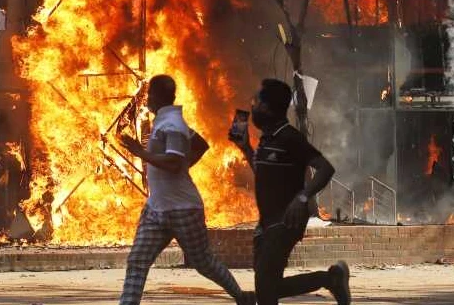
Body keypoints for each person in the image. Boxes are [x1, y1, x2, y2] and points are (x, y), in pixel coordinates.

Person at [117, 75, 255, 305]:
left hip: (183, 209)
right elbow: (199, 144)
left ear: (158, 96)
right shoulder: (167, 120)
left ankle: (241, 297)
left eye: (150, 94)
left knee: (203, 262)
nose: (147, 98)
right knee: (137, 261)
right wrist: (183, 166)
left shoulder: (172, 125)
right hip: (157, 209)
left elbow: (173, 163)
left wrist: (143, 154)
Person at [230, 78, 351, 305]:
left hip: (286, 220)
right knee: (268, 288)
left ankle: (332, 278)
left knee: (265, 289)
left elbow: (326, 168)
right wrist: (246, 148)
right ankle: (332, 279)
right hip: (267, 222)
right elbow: (265, 175)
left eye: (256, 102)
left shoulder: (290, 138)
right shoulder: (267, 139)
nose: (252, 107)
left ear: (268, 107)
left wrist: (303, 197)